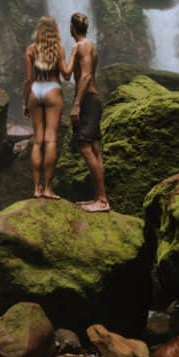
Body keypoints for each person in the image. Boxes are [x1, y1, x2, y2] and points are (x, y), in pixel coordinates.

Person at [22, 15, 71, 199]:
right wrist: (73, 58)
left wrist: (24, 102)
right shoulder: (59, 49)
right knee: (50, 140)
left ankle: (37, 188)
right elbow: (66, 75)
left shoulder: (31, 50)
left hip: (36, 90)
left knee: (38, 141)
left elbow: (28, 80)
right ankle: (48, 189)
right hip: (52, 89)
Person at [68, 11, 110, 212]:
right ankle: (98, 197)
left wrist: (76, 103)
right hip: (93, 100)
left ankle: (102, 200)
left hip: (88, 100)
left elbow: (84, 77)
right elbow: (73, 75)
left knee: (84, 146)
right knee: (94, 148)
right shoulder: (89, 46)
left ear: (72, 27)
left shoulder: (82, 46)